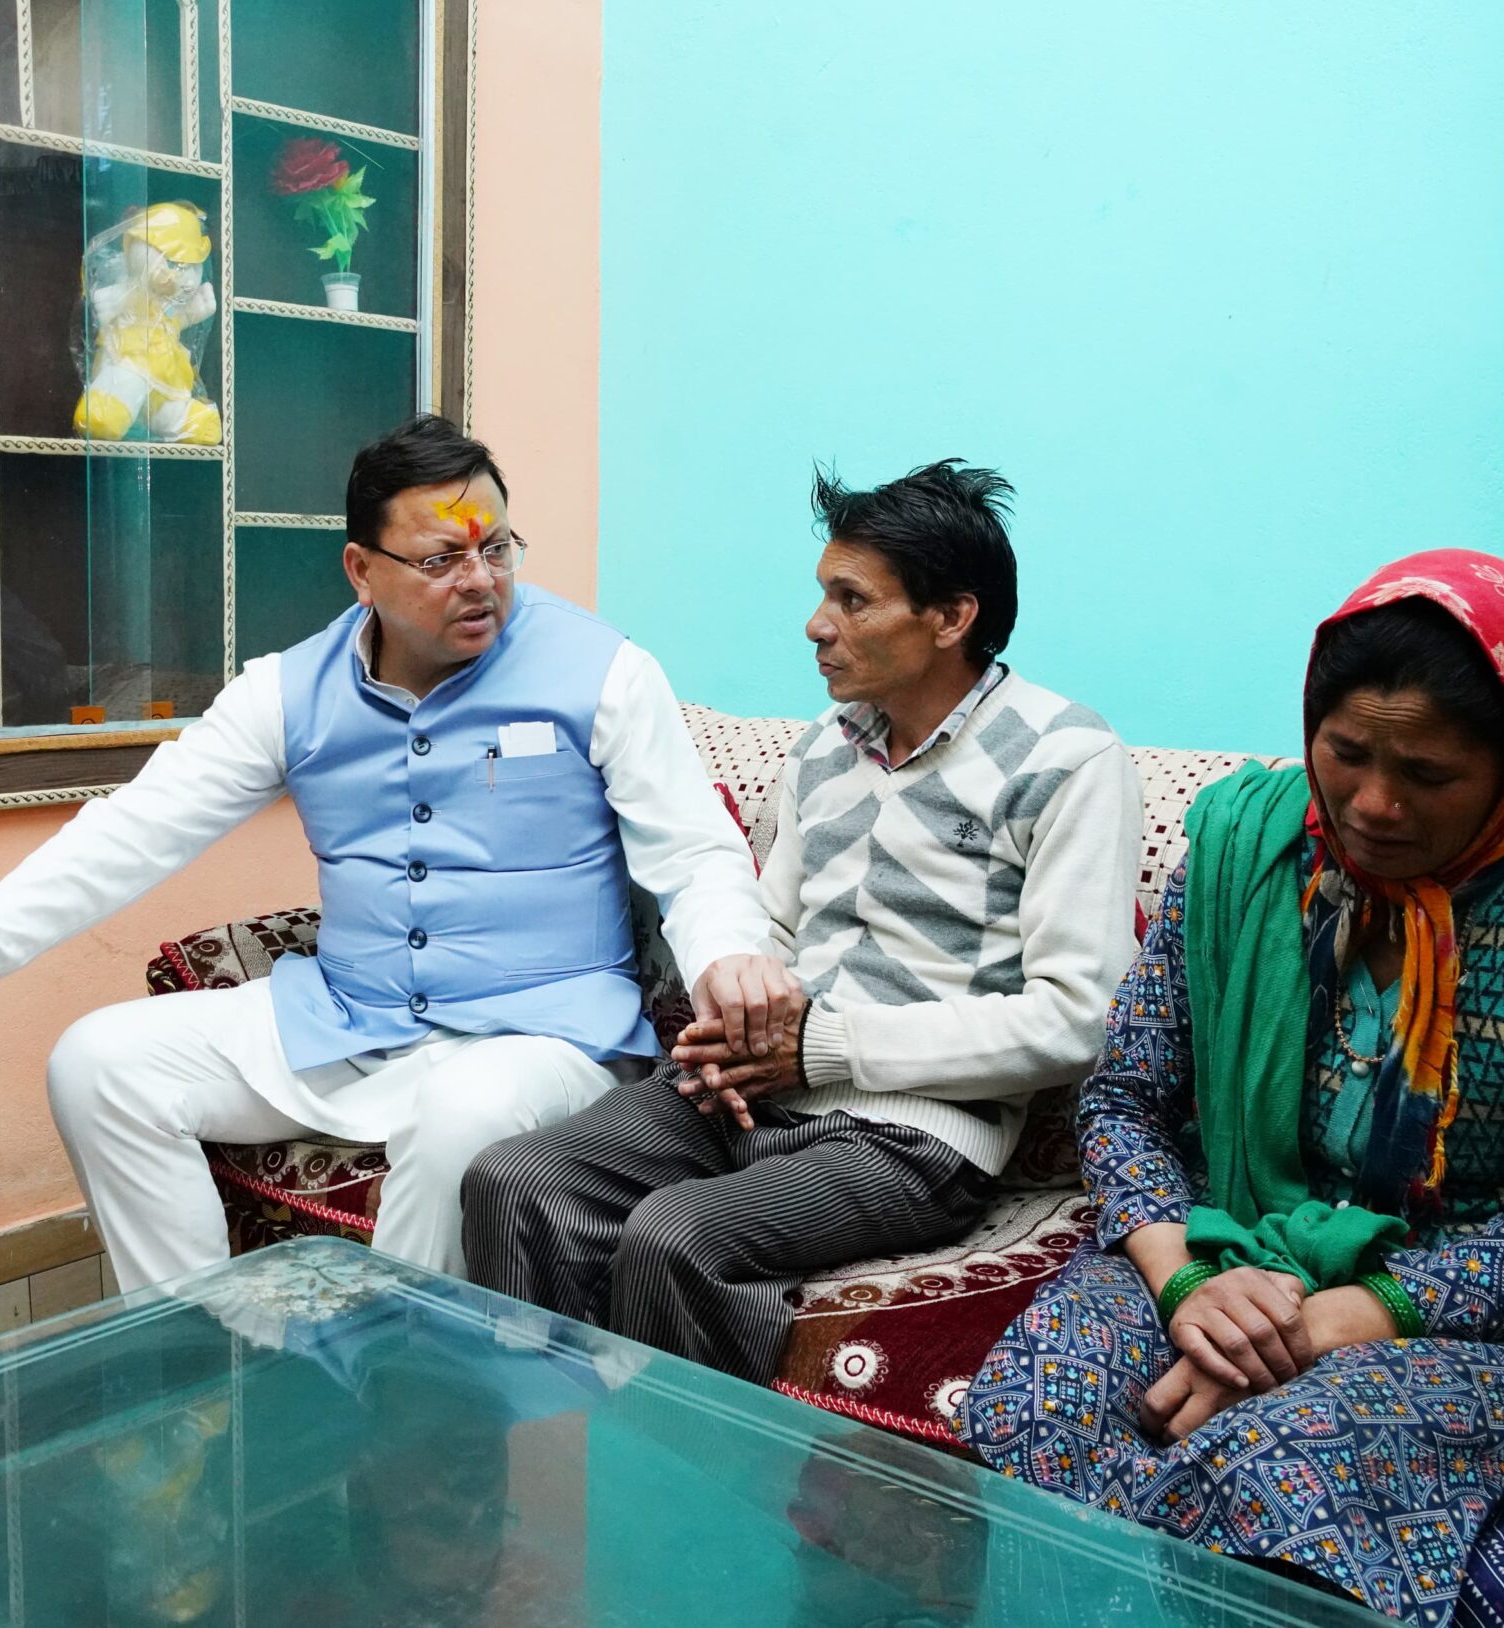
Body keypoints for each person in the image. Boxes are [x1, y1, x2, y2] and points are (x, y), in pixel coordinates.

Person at [0, 415, 795, 1290]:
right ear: (361, 571)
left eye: (497, 548)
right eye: (442, 558)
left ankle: (391, 1393)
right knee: (98, 1065)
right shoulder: (290, 692)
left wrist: (730, 961)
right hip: (347, 1021)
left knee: (462, 1113)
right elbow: (132, 829)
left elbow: (694, 850)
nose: (481, 580)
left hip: (541, 1040)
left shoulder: (603, 671)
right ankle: (210, 1353)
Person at [965, 551, 1504, 1624]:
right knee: (1036, 1403)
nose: (1373, 803)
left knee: (1272, 1463)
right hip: (1225, 1244)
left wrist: (1325, 1324)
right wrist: (1186, 1282)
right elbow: (1124, 1099)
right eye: (1346, 753)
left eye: (1430, 776)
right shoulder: (1244, 851)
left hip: (1475, 1318)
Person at [461, 461, 1143, 1379]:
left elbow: (1078, 1018)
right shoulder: (825, 745)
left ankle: (667, 1468)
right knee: (513, 1181)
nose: (817, 624)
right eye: (824, 594)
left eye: (852, 600)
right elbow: (775, 932)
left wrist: (820, 1047)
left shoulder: (1066, 759)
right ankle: (546, 1437)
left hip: (916, 1133)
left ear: (951, 617)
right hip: (761, 1087)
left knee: (675, 1236)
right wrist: (736, 1019)